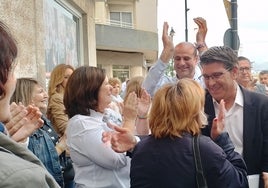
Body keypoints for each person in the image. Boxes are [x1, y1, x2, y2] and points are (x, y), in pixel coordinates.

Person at [103, 79, 248, 187]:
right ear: (193, 111)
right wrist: (222, 139)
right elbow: (240, 182)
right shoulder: (204, 148)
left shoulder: (141, 149)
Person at [0, 20, 60, 187]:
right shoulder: (18, 177)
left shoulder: (40, 122)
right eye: (10, 69)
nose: (46, 95)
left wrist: (11, 142)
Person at [199, 46, 268, 187]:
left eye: (217, 75)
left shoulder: (261, 105)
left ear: (234, 72)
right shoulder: (198, 105)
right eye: (206, 77)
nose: (211, 83)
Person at [63, 66, 139, 187]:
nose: (111, 87)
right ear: (90, 90)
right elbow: (116, 159)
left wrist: (142, 116)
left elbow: (137, 140)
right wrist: (129, 120)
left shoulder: (108, 114)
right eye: (106, 84)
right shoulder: (81, 124)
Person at [11, 78, 67, 187]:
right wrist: (61, 145)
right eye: (41, 92)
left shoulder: (42, 120)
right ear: (27, 95)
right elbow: (37, 162)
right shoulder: (24, 125)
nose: (46, 95)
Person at [142, 17, 208, 97]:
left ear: (196, 59)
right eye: (177, 58)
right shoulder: (167, 85)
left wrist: (201, 43)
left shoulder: (204, 83)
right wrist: (166, 52)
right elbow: (146, 90)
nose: (181, 63)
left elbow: (212, 68)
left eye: (186, 58)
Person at [47, 63, 74, 136]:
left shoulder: (74, 96)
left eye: (73, 76)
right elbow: (64, 126)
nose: (71, 80)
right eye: (66, 77)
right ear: (59, 79)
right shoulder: (57, 98)